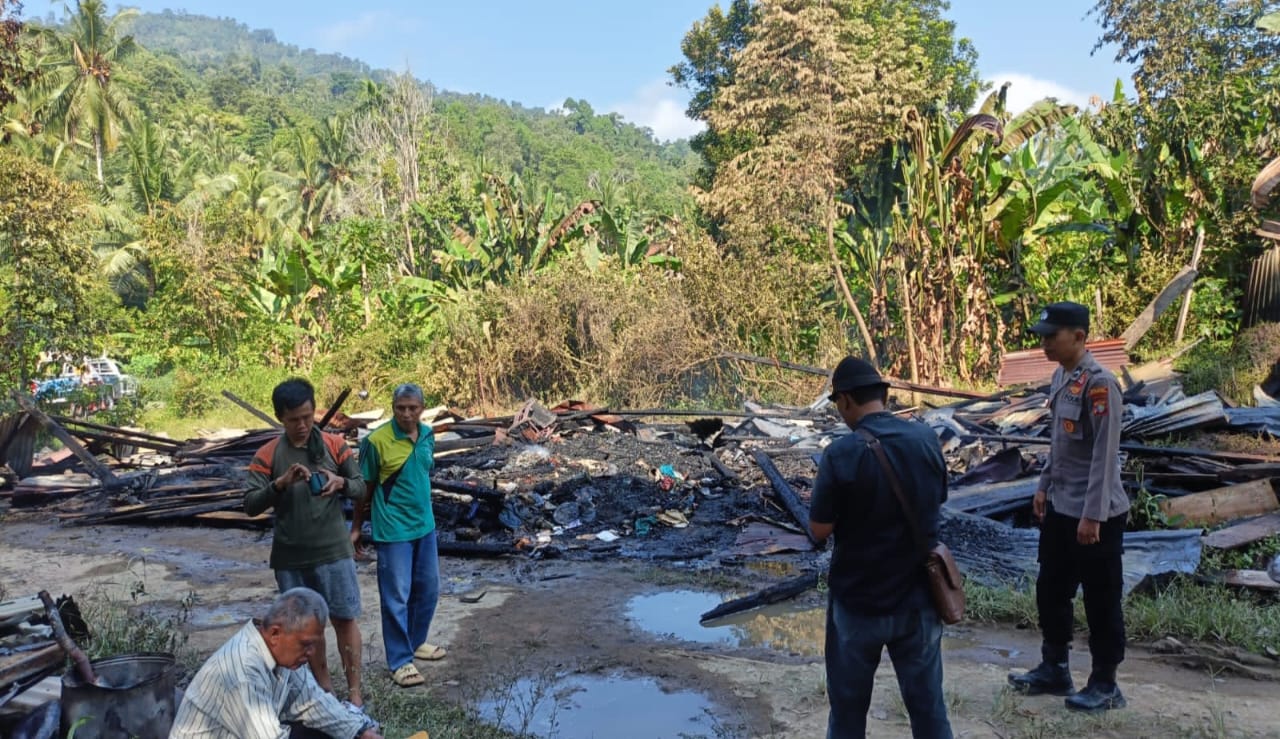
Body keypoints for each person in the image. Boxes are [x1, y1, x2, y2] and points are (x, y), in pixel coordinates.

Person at [809, 357, 953, 739]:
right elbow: (937, 499)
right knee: (929, 709)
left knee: (848, 712)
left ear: (845, 401)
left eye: (838, 405)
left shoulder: (841, 454)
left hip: (858, 603)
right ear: (884, 396)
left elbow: (819, 529)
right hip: (919, 600)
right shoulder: (926, 439)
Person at [1008, 302, 1130, 711]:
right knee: (1052, 589)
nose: (1044, 343)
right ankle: (1054, 667)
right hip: (1062, 505)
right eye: (1042, 336)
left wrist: (1092, 515)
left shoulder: (1100, 385)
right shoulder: (1063, 376)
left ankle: (1105, 684)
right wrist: (1043, 485)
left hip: (1096, 514)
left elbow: (1104, 456)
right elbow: (1059, 444)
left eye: (1051, 336)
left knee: (1101, 598)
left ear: (1079, 336)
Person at [245, 379, 368, 711]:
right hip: (291, 556)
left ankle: (355, 694)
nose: (301, 426)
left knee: (344, 618)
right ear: (280, 418)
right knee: (307, 629)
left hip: (334, 550)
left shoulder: (334, 444)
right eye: (293, 420)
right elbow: (250, 504)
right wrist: (280, 484)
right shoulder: (267, 454)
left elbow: (361, 487)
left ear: (314, 411)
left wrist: (340, 481)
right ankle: (324, 691)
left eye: (307, 416)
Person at [170, 587, 383, 739]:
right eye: (306, 644)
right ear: (274, 634)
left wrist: (361, 732)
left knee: (328, 731)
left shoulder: (284, 656)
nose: (311, 653)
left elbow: (313, 701)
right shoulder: (243, 673)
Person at [354, 383, 445, 688]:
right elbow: (363, 488)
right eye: (400, 408)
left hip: (425, 526)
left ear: (422, 408)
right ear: (392, 408)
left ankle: (416, 642)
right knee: (396, 596)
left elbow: (422, 473)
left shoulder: (428, 435)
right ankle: (399, 661)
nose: (406, 414)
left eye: (413, 408)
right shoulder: (377, 442)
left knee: (428, 589)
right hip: (393, 530)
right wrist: (356, 528)